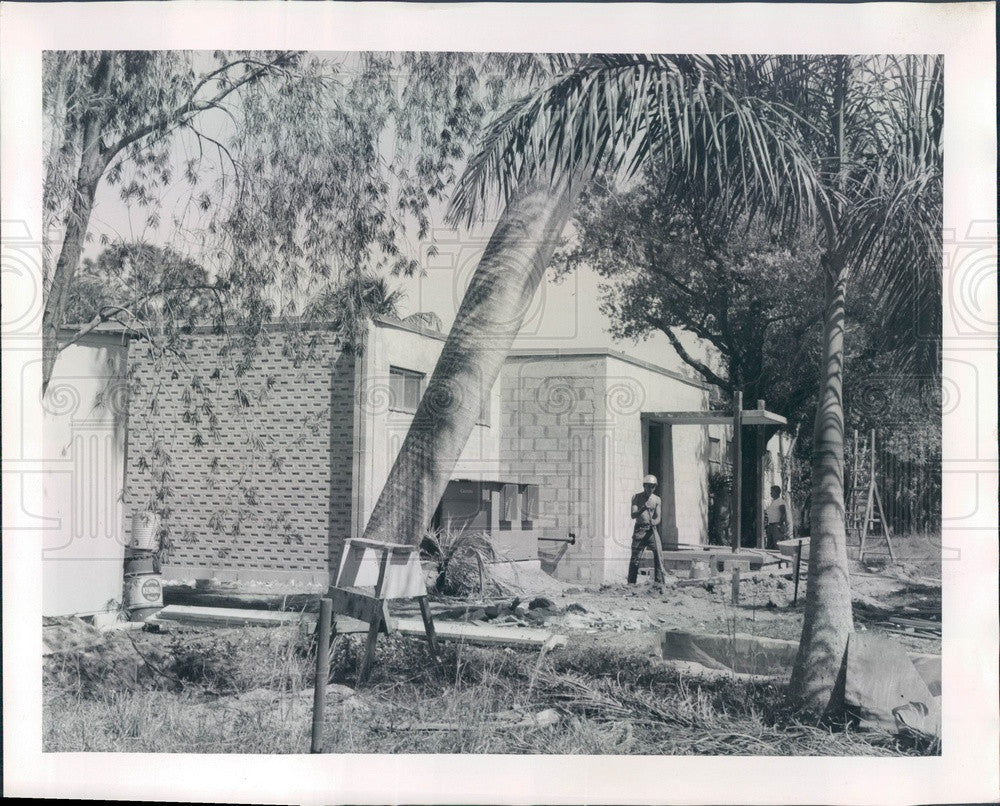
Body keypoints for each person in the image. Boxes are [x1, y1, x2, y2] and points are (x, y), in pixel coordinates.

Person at [627, 474, 666, 584]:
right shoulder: (636, 497)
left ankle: (659, 584)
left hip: (651, 531)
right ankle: (631, 584)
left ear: (655, 487)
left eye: (653, 486)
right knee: (635, 559)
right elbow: (633, 515)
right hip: (640, 530)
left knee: (659, 555)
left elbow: (658, 517)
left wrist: (655, 522)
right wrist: (642, 509)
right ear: (644, 486)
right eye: (648, 486)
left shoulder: (657, 499)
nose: (650, 488)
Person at [764, 485, 789, 549]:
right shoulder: (773, 502)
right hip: (771, 525)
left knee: (777, 544)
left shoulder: (780, 502)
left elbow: (783, 514)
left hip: (776, 525)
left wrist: (779, 525)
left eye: (772, 492)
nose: (770, 493)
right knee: (770, 544)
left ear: (777, 492)